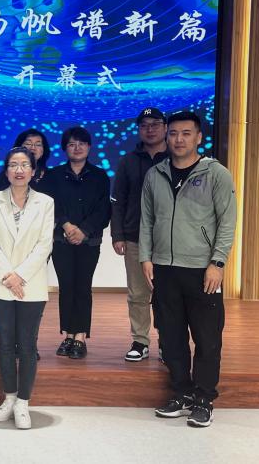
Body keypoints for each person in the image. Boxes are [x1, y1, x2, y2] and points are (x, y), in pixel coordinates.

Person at [141, 111, 236, 428]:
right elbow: (147, 220)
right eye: (173, 133)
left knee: (207, 338)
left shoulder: (216, 174)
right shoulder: (155, 174)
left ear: (198, 137)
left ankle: (204, 398)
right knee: (171, 337)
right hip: (164, 269)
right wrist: (146, 257)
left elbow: (227, 222)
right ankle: (181, 393)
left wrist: (217, 262)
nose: (178, 139)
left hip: (202, 270)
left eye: (186, 133)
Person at [0, 147, 54, 430]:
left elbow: (44, 245)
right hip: (1, 284)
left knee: (27, 344)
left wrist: (19, 276)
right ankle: (9, 398)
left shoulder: (45, 202)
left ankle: (23, 402)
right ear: (6, 170)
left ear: (34, 171)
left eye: (25, 165)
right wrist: (8, 277)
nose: (19, 170)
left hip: (30, 284)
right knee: (4, 342)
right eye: (13, 164)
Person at [48, 127, 111, 359]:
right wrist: (66, 226)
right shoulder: (54, 175)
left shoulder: (100, 176)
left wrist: (83, 231)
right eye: (72, 144)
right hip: (61, 240)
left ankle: (80, 337)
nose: (77, 148)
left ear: (89, 147)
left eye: (82, 144)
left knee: (83, 287)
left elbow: (103, 209)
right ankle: (68, 334)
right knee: (66, 287)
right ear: (65, 148)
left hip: (89, 241)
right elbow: (51, 205)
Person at [112, 108, 168, 362]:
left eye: (155, 124)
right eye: (144, 125)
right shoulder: (128, 161)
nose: (150, 129)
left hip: (169, 239)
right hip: (135, 236)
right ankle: (140, 341)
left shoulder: (175, 157)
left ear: (165, 127)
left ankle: (168, 342)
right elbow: (118, 200)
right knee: (138, 293)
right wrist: (117, 235)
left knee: (167, 294)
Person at [0, 129, 53, 193]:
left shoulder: (51, 176)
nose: (33, 148)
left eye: (38, 144)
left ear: (43, 150)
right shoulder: (7, 175)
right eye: (28, 143)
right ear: (19, 147)